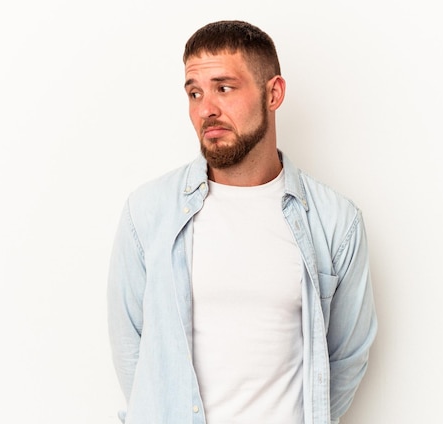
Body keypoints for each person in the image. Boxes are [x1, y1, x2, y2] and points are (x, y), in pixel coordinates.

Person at [107, 20, 377, 424]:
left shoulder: (335, 222)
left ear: (274, 93)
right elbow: (133, 351)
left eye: (224, 88)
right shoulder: (148, 214)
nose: (206, 109)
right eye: (194, 93)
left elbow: (346, 356)